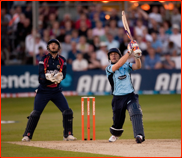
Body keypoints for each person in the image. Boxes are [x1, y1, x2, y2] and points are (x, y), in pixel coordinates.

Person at [22, 39, 77, 141]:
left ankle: (67, 135)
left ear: (58, 48)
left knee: (68, 111)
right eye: (51, 44)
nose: (53, 46)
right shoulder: (44, 59)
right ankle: (27, 135)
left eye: (55, 44)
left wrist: (59, 77)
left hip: (56, 91)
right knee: (36, 113)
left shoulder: (62, 60)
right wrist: (48, 77)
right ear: (48, 47)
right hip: (43, 91)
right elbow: (41, 76)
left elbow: (63, 74)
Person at [105, 40, 145, 143]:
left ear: (119, 56)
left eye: (115, 54)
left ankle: (139, 135)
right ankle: (115, 134)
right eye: (111, 55)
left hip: (130, 95)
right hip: (117, 98)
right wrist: (129, 51)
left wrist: (136, 56)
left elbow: (138, 66)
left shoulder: (127, 65)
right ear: (109, 57)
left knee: (135, 111)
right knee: (118, 120)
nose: (113, 56)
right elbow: (118, 65)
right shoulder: (109, 68)